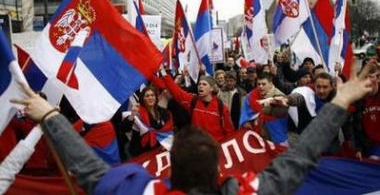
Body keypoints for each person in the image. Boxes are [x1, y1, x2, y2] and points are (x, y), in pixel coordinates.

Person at [10, 60, 375, 195]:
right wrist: (342, 102)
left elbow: (91, 174)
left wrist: (49, 117)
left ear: (171, 173)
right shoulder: (252, 190)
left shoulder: (141, 191)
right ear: (221, 169)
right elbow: (303, 157)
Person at [161, 68, 235, 142]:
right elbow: (176, 91)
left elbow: (229, 132)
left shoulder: (222, 107)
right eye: (199, 84)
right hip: (197, 147)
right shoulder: (193, 100)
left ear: (211, 88)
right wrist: (163, 72)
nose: (200, 86)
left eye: (204, 84)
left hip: (215, 149)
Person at [120, 86, 174, 157]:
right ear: (143, 99)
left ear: (156, 97)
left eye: (152, 95)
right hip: (141, 152)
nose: (150, 98)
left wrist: (167, 143)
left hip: (159, 150)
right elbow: (124, 128)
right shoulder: (137, 113)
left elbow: (168, 131)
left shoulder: (163, 112)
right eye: (147, 96)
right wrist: (132, 115)